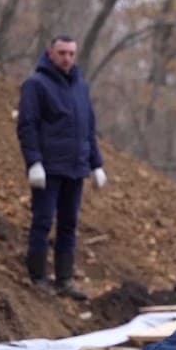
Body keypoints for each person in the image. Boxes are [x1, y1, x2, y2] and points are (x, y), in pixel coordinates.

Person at [16, 34, 108, 300]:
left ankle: (65, 279)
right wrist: (34, 162)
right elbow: (27, 125)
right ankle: (37, 277)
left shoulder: (80, 86)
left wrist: (96, 164)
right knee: (43, 221)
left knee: (69, 224)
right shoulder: (36, 84)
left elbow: (88, 128)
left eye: (71, 53)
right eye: (61, 53)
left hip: (76, 168)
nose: (66, 58)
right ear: (50, 53)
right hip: (49, 168)